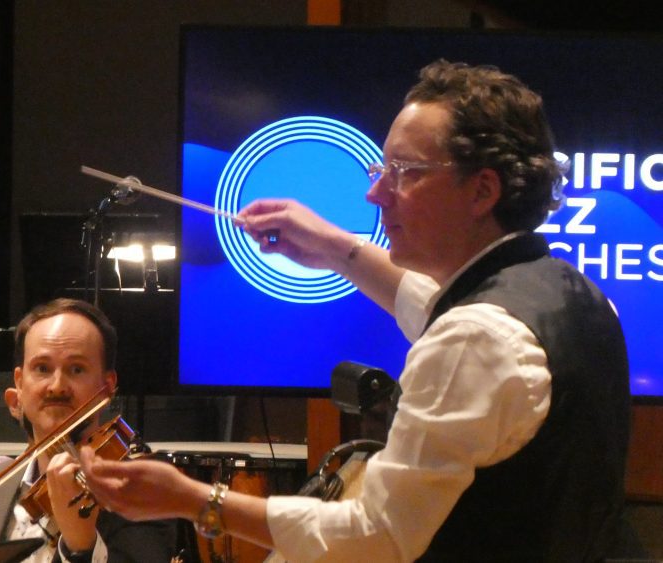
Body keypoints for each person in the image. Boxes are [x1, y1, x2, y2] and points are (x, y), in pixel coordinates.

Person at [79, 59, 631, 562]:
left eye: (406, 172)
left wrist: (196, 500)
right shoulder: (573, 294)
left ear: (482, 191)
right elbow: (431, 306)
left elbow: (379, 535)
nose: (376, 195)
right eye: (380, 169)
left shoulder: (474, 338)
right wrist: (334, 247)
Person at [0, 298, 186, 562]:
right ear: (19, 384)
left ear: (107, 387)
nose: (57, 386)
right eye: (42, 368)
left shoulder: (144, 495)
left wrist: (81, 546)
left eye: (76, 369)